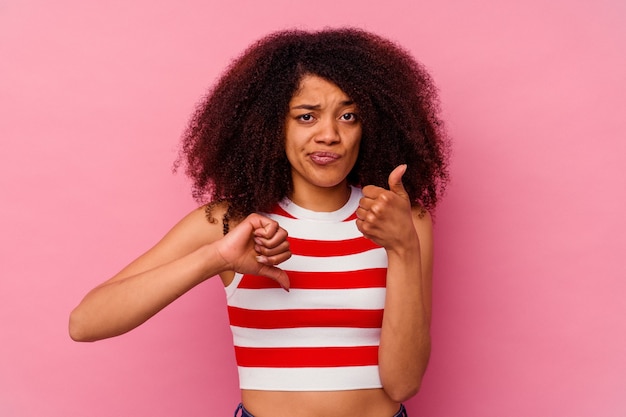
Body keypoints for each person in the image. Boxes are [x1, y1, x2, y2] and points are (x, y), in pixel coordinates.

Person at [69, 28, 450, 417]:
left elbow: (404, 383)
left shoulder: (402, 220)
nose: (329, 135)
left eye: (348, 116)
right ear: (272, 126)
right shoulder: (227, 222)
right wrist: (215, 258)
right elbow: (85, 323)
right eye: (306, 116)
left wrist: (402, 248)